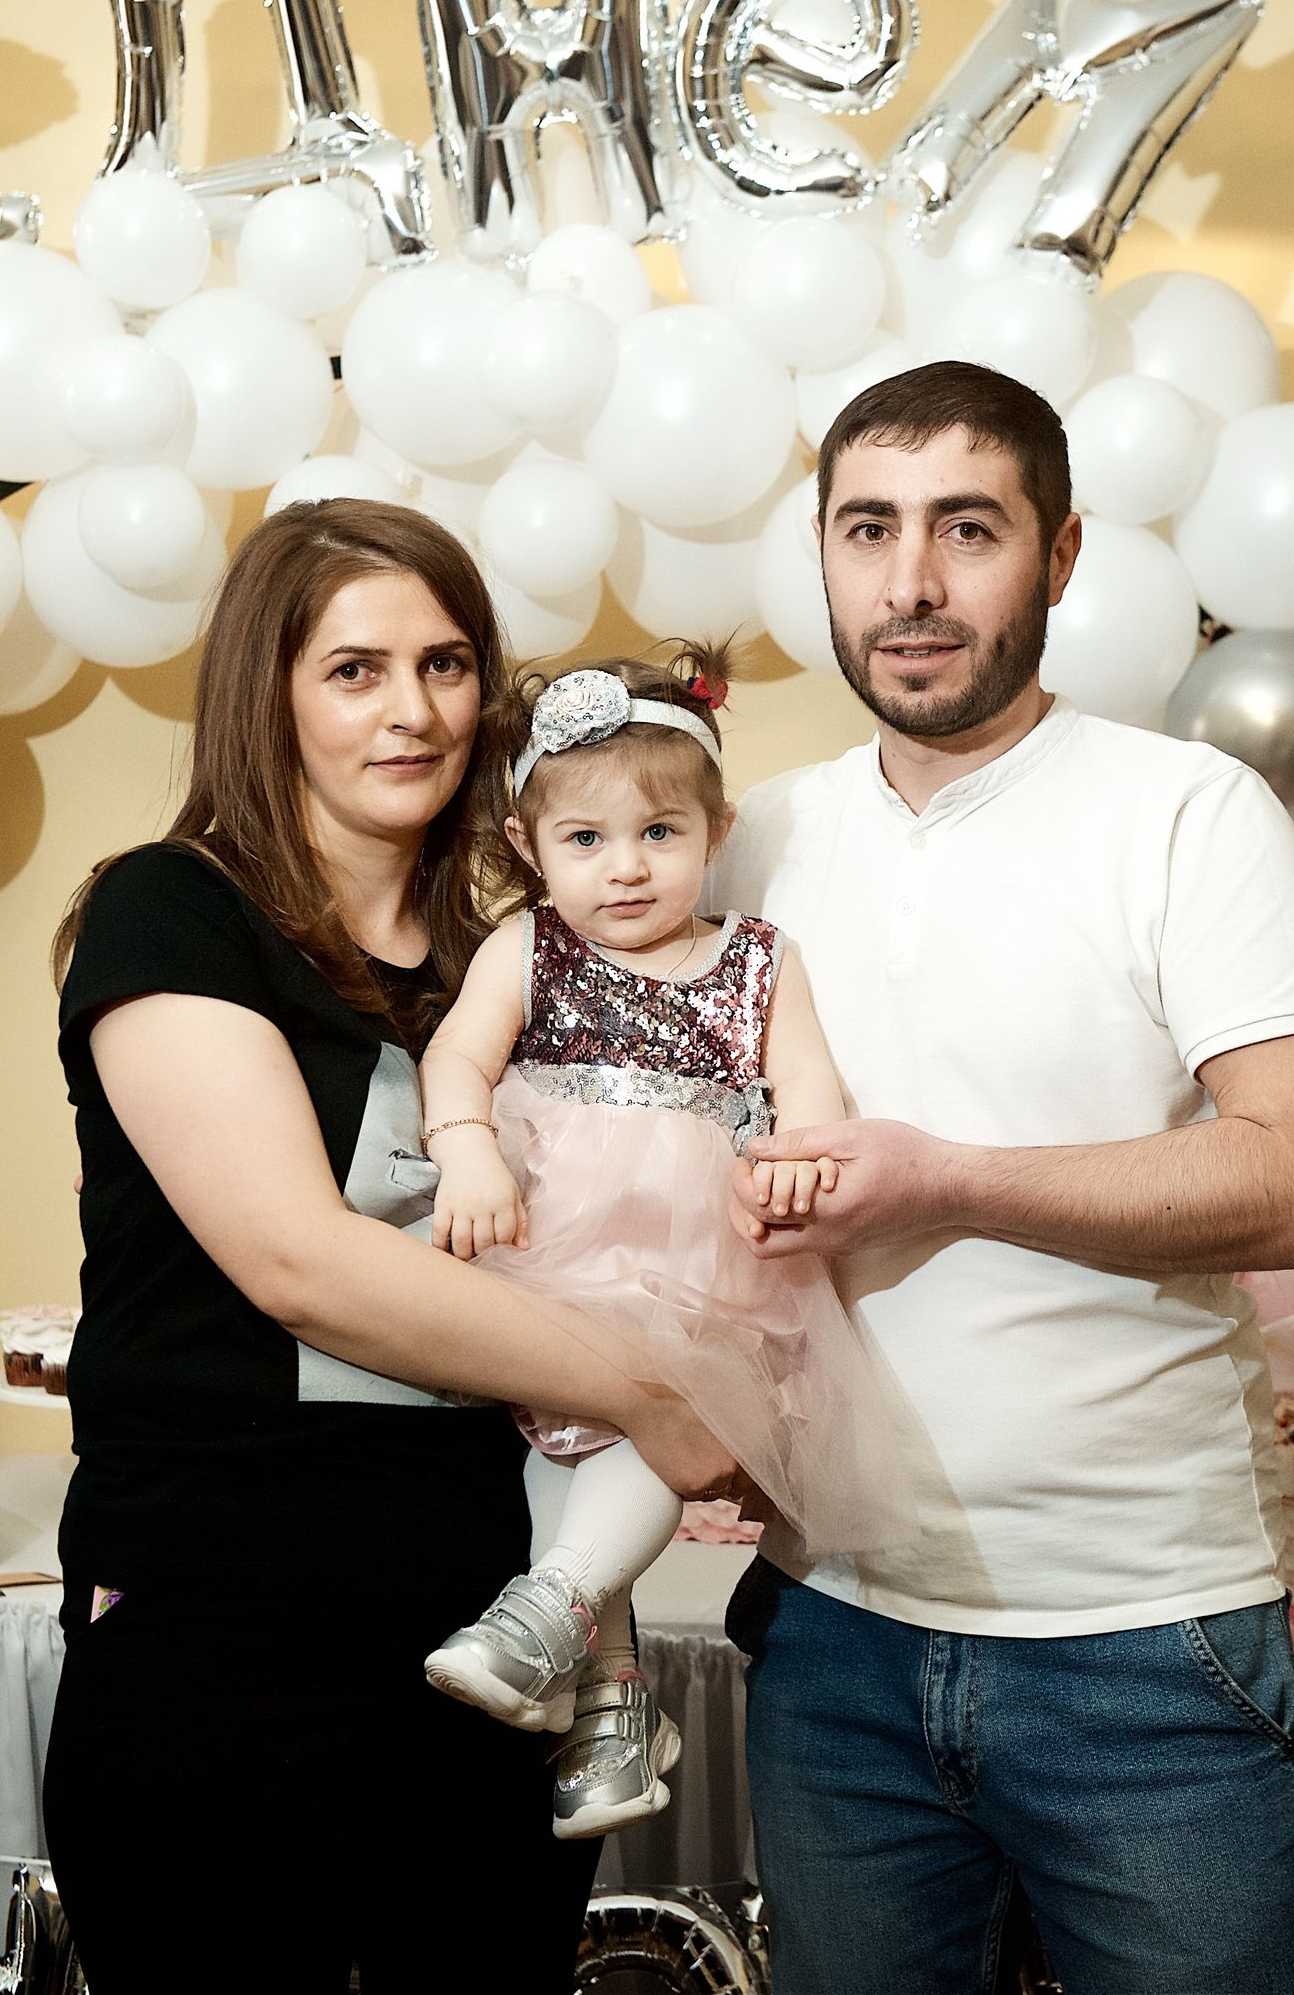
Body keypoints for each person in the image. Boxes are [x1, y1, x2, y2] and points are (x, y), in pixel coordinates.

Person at [712, 363, 1294, 1995]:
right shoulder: (749, 842)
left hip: (1140, 1642)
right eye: (868, 530)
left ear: (1062, 555)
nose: (912, 584)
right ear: (821, 555)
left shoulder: (1186, 814)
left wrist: (943, 1180)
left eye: (968, 528)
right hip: (829, 1635)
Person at [45, 501, 730, 1995]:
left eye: (446, 663)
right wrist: (656, 1398)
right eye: (355, 670)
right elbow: (299, 1263)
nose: (412, 710)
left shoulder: (518, 961)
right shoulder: (176, 912)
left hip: (487, 1648)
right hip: (225, 1636)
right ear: (270, 693)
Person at [414, 648, 913, 1842]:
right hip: (559, 1246)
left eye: (659, 833)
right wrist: (467, 1150)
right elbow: (457, 1057)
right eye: (585, 839)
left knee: (645, 1422)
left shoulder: (758, 958)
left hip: (704, 1266)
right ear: (531, 846)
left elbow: (809, 1085)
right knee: (561, 1435)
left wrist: (797, 1155)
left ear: (714, 830)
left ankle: (555, 1607)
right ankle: (610, 1702)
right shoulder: (526, 948)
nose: (626, 866)